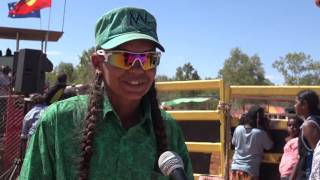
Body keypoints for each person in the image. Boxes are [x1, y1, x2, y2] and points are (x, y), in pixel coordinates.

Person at [19, 7, 193, 180]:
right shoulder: (57, 122)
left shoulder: (169, 130)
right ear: (97, 63)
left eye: (149, 59)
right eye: (124, 58)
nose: (138, 69)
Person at [230, 105, 273, 180]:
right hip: (250, 171)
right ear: (259, 119)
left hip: (235, 169)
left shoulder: (238, 129)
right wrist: (266, 128)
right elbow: (270, 146)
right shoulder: (260, 133)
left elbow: (233, 142)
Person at [291, 90, 320, 180]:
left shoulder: (309, 125)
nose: (294, 106)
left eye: (296, 103)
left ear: (305, 104)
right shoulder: (315, 121)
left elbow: (318, 156)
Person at [279, 115, 303, 180]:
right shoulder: (289, 140)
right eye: (289, 125)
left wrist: (291, 177)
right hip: (285, 174)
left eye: (295, 126)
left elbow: (297, 159)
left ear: (300, 128)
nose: (292, 127)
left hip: (290, 175)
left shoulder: (298, 141)